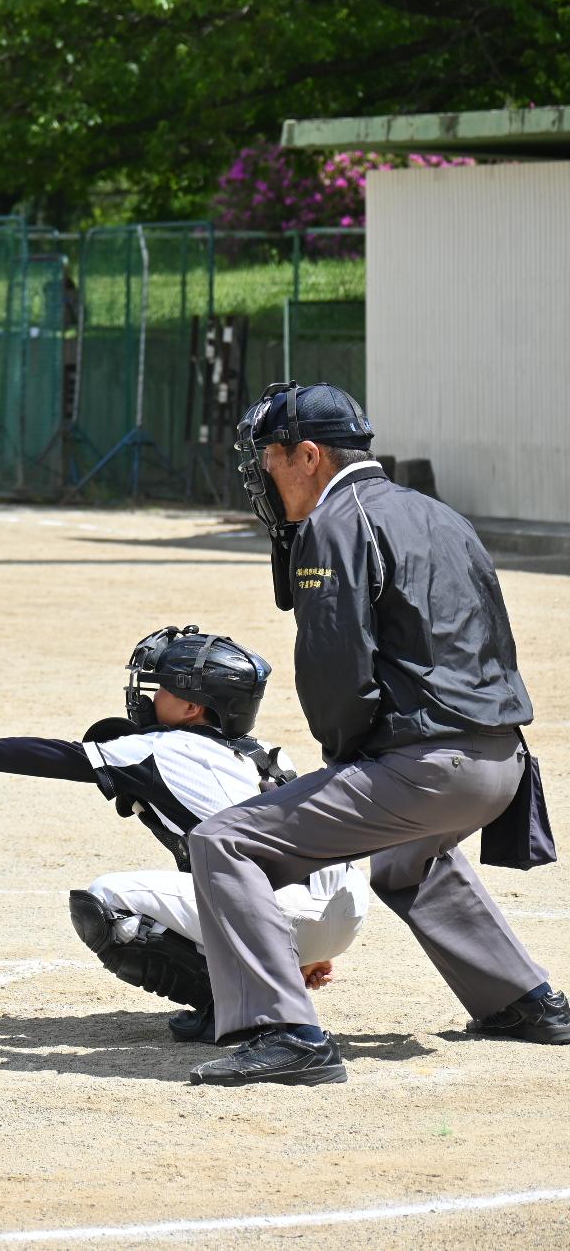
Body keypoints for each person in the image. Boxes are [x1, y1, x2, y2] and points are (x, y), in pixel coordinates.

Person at [185, 381, 563, 1087]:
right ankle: (526, 1000)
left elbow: (336, 675)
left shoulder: (333, 524)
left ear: (307, 455)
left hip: (430, 772)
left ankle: (284, 1030)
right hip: (503, 762)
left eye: (266, 456)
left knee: (223, 840)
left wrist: (341, 768)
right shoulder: (439, 513)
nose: (260, 474)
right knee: (402, 859)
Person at [0, 625, 369, 1043]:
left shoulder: (162, 746)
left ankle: (236, 1008)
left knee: (105, 903)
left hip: (287, 915)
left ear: (192, 708)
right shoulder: (266, 756)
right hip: (339, 910)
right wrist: (306, 943)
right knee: (208, 866)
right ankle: (268, 973)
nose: (150, 694)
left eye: (162, 688)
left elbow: (56, 757)